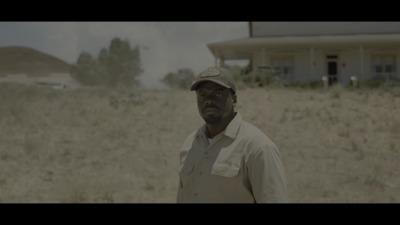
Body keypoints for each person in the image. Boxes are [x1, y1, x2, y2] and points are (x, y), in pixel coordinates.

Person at [177, 67, 288, 203]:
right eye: (202, 95)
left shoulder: (258, 147)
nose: (209, 100)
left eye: (218, 94)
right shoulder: (190, 144)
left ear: (234, 100)